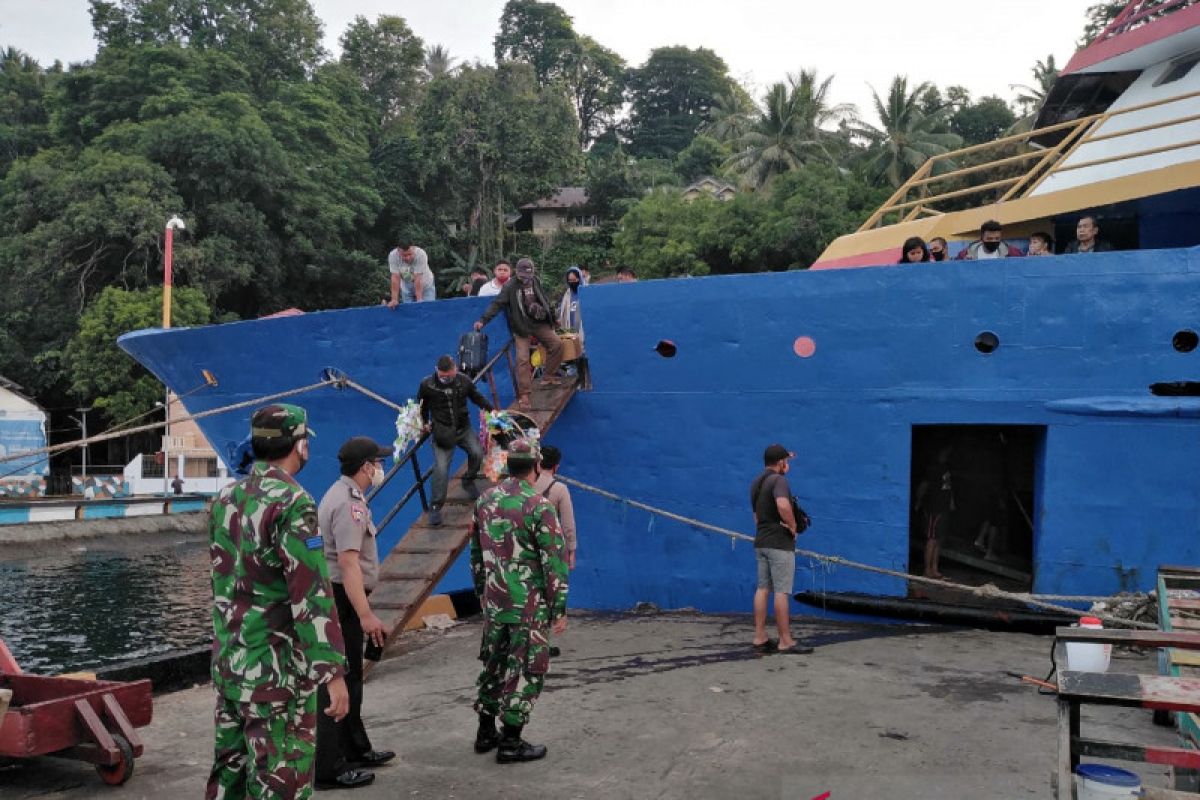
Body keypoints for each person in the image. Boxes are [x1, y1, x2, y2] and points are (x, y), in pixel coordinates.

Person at [206, 403, 350, 800]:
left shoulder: (226, 498)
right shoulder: (293, 503)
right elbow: (311, 595)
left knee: (228, 779)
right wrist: (332, 673)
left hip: (231, 667)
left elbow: (225, 581)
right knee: (280, 782)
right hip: (276, 677)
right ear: (299, 445)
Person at [470, 437, 568, 764]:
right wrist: (559, 608)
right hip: (528, 605)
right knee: (526, 669)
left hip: (495, 602)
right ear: (536, 467)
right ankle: (511, 741)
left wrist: (482, 594)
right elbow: (554, 560)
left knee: (494, 665)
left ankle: (485, 730)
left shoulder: (484, 501)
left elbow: (476, 554)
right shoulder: (539, 505)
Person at [314, 437, 397, 791]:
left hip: (344, 597)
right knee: (340, 679)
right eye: (378, 462)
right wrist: (366, 615)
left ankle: (355, 748)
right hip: (343, 600)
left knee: (351, 678)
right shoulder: (350, 505)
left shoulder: (343, 495)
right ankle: (330, 768)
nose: (380, 468)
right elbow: (348, 563)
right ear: (366, 467)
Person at [474, 258, 564, 411]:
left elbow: (544, 300)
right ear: (517, 273)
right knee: (522, 359)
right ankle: (524, 394)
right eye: (522, 276)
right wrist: (483, 320)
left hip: (539, 323)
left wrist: (553, 318)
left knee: (557, 344)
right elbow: (497, 304)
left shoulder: (535, 281)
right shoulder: (510, 286)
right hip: (521, 327)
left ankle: (548, 375)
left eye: (527, 276)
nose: (525, 279)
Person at [748, 444, 812, 656]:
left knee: (762, 588)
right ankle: (785, 641)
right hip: (779, 543)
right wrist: (793, 526)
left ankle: (759, 637)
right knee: (781, 591)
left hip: (762, 541)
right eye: (787, 461)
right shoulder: (779, 481)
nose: (788, 465)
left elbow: (756, 517)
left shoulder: (756, 483)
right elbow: (783, 505)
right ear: (780, 462)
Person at [417, 355, 494, 526]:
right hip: (442, 432)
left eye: (449, 376)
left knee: (477, 453)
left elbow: (477, 398)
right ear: (437, 371)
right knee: (442, 469)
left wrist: (493, 411)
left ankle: (468, 480)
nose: (445, 379)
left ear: (455, 370)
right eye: (442, 376)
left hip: (463, 428)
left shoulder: (464, 381)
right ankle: (435, 507)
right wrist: (423, 423)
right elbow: (421, 406)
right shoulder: (427, 385)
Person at [532, 445, 576, 571]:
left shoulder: (526, 483)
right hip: (547, 548)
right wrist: (571, 551)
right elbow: (568, 525)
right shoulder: (560, 489)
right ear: (556, 467)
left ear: (538, 462)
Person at [914, 445, 954, 580]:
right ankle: (927, 570)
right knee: (931, 539)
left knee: (938, 540)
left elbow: (949, 486)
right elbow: (923, 487)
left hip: (943, 508)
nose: (947, 453)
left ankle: (935, 569)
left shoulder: (947, 467)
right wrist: (918, 502)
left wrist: (951, 503)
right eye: (945, 450)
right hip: (933, 508)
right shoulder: (932, 468)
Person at [957, 220, 1023, 260]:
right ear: (982, 238)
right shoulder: (965, 254)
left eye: (997, 238)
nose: (993, 241)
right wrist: (963, 264)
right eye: (989, 238)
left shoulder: (1012, 253)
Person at [556, 266, 585, 349]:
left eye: (574, 280)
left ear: (579, 279)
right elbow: (562, 309)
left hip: (582, 327)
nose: (572, 283)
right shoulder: (567, 294)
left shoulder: (585, 292)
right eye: (570, 281)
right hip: (570, 327)